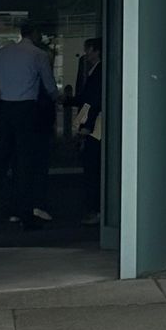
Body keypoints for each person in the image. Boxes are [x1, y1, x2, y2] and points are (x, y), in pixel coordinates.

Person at [0, 19, 55, 231]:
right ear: (34, 33)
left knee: (0, 162)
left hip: (5, 109)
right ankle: (25, 213)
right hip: (27, 110)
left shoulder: (4, 52)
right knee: (25, 162)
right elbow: (50, 86)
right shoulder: (38, 55)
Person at [72, 35, 105, 221]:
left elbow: (92, 101)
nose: (86, 54)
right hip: (94, 124)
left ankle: (95, 209)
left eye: (88, 49)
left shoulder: (98, 72)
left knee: (92, 166)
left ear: (96, 51)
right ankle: (95, 208)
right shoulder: (97, 70)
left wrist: (86, 125)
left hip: (95, 127)